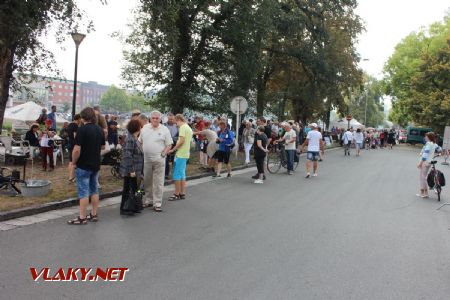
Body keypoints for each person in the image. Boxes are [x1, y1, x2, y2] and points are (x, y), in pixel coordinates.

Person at [67, 107, 105, 225]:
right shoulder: (99, 129)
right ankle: (93, 214)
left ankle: (82, 217)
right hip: (95, 164)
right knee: (94, 190)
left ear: (83, 118)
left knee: (83, 191)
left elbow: (76, 150)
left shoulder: (82, 130)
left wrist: (73, 162)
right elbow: (103, 147)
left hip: (83, 165)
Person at [139, 111, 173, 211]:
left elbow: (169, 144)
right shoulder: (145, 128)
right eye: (153, 118)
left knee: (158, 182)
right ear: (150, 118)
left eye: (157, 118)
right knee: (147, 180)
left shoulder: (164, 129)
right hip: (146, 159)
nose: (154, 120)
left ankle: (157, 203)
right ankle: (149, 200)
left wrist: (163, 154)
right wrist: (141, 152)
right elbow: (140, 141)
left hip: (159, 159)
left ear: (160, 119)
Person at [120, 119, 144, 215]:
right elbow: (127, 155)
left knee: (135, 188)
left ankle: (134, 206)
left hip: (136, 169)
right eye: (140, 127)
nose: (141, 128)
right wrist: (131, 170)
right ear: (137, 128)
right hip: (131, 170)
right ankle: (125, 208)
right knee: (128, 189)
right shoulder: (130, 139)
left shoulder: (134, 138)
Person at [168, 114, 193, 201]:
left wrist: (173, 149)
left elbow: (181, 141)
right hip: (185, 154)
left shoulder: (182, 127)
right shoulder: (188, 128)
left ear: (178, 119)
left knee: (177, 175)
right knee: (182, 174)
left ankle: (176, 194)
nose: (175, 124)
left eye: (175, 122)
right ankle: (182, 193)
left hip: (181, 154)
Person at [417, 132, 438, 198]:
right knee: (424, 177)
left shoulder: (428, 144)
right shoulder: (434, 144)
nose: (425, 137)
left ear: (429, 137)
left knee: (422, 178)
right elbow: (439, 149)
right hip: (429, 162)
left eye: (426, 136)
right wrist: (437, 154)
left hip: (425, 162)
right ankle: (425, 193)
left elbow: (425, 155)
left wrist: (420, 163)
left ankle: (423, 193)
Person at [67, 114, 81, 182]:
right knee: (74, 161)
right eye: (80, 119)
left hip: (69, 143)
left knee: (70, 161)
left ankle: (70, 176)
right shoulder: (75, 126)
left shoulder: (69, 125)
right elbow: (75, 136)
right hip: (74, 145)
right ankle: (72, 177)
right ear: (78, 119)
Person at [164, 113, 179, 179]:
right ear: (167, 119)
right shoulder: (164, 125)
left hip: (175, 145)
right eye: (170, 119)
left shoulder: (177, 126)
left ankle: (173, 173)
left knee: (174, 159)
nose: (171, 120)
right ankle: (166, 174)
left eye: (172, 119)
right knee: (166, 159)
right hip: (166, 145)